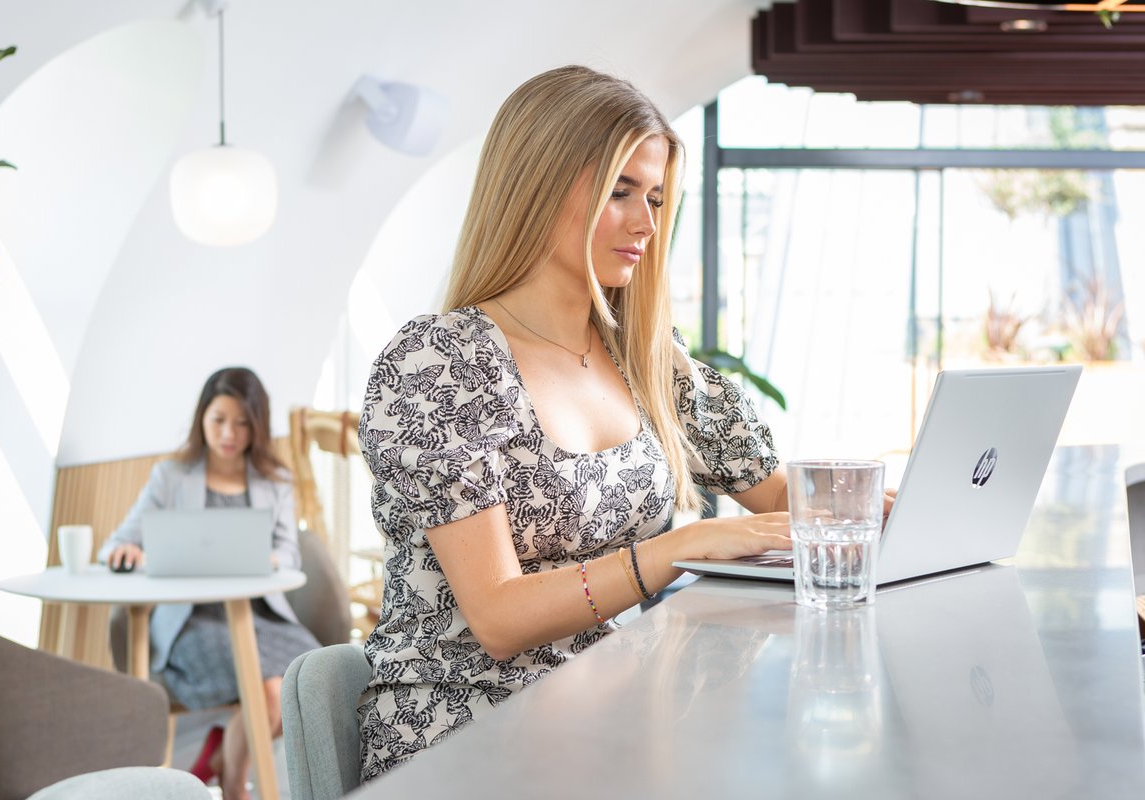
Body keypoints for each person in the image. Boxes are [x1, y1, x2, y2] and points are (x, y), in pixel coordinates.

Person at [355, 64, 800, 780]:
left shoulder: (647, 361)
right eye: (620, 191)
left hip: (605, 713)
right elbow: (497, 619)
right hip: (464, 732)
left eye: (655, 197)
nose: (646, 222)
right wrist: (681, 548)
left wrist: (863, 507)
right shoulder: (440, 361)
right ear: (535, 182)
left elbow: (775, 498)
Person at [98, 366, 318, 800]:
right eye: (218, 419)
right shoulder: (171, 476)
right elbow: (117, 542)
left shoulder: (275, 481)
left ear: (257, 425)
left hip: (258, 614)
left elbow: (290, 552)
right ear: (202, 418)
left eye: (241, 422)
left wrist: (267, 557)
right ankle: (236, 786)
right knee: (269, 692)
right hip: (193, 622)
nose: (228, 433)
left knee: (296, 680)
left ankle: (223, 764)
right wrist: (128, 553)